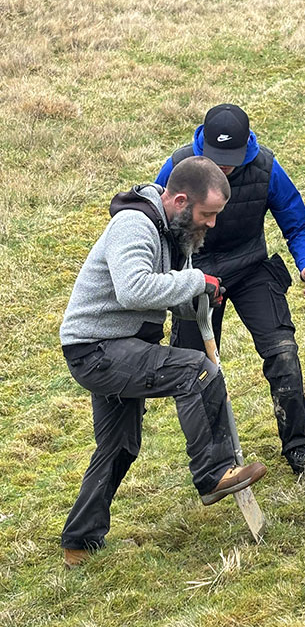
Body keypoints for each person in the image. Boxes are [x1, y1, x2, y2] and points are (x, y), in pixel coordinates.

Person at [59, 157, 266, 568]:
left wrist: (198, 297)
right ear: (180, 200)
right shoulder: (135, 225)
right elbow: (133, 290)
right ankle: (213, 474)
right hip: (97, 349)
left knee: (120, 445)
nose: (210, 224)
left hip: (121, 346)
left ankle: (79, 542)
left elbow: (167, 295)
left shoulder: (176, 234)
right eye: (207, 214)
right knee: (197, 371)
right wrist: (194, 281)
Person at [156, 104, 305, 481]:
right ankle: (215, 465)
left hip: (251, 268)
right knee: (193, 370)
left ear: (246, 145)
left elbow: (296, 221)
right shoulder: (181, 165)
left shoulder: (266, 166)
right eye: (218, 160)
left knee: (283, 353)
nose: (225, 168)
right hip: (194, 276)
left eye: (231, 160)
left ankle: (300, 449)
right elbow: (154, 220)